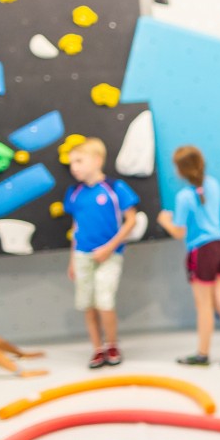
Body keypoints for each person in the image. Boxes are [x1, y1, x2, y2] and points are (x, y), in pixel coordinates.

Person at [156, 145, 220, 367]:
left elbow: (179, 231)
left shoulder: (184, 197)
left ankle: (202, 353)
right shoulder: (213, 185)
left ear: (179, 170)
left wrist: (164, 221)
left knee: (204, 305)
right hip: (219, 246)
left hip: (202, 251)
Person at [64, 137, 139, 369]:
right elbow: (75, 228)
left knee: (105, 301)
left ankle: (112, 345)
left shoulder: (115, 188)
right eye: (70, 163)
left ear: (97, 160)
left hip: (110, 254)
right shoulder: (74, 193)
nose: (73, 167)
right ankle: (97, 349)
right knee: (89, 304)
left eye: (79, 160)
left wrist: (109, 248)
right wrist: (72, 261)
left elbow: (131, 220)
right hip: (82, 256)